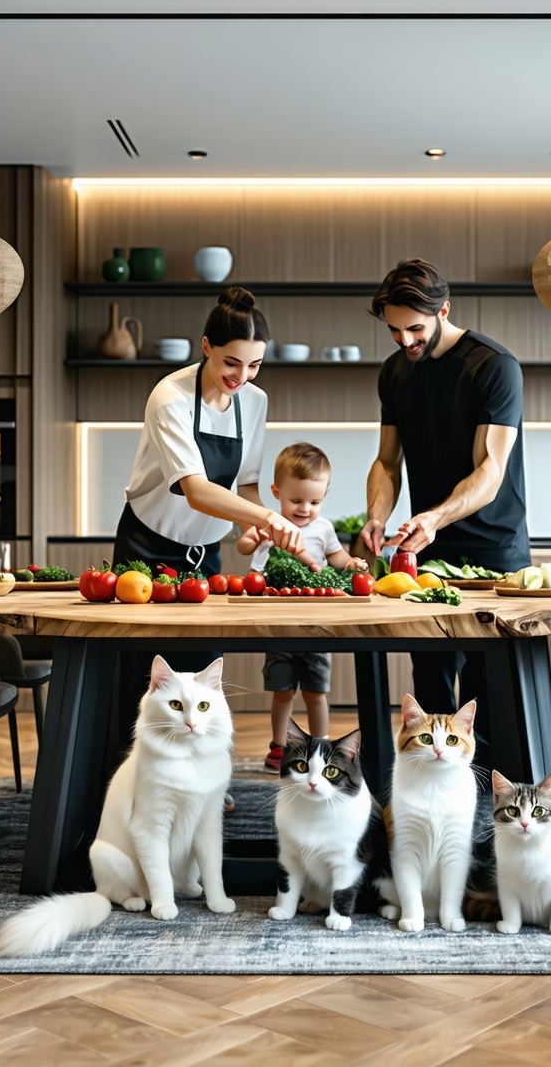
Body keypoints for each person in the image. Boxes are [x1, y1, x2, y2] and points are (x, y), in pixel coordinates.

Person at [112, 286, 306, 805]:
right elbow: (195, 489)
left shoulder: (254, 402)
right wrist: (267, 515)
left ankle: (202, 786)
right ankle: (136, 789)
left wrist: (251, 528)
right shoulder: (168, 396)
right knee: (146, 680)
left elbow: (242, 485)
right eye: (231, 363)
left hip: (205, 556)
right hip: (147, 548)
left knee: (202, 682)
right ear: (205, 346)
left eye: (255, 365)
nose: (241, 377)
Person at [360, 258, 531, 719]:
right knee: (430, 696)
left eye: (414, 328)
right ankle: (428, 791)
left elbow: (490, 471)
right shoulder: (395, 372)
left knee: (488, 700)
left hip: (493, 556)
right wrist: (376, 517)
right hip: (426, 555)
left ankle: (494, 790)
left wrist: (434, 517)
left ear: (443, 310)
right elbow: (386, 462)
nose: (405, 340)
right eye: (395, 330)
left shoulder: (494, 367)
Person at [236, 442, 368, 770]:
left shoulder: (323, 529)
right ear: (276, 492)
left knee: (315, 692)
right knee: (282, 692)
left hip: (316, 622)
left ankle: (320, 747)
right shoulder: (272, 528)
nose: (305, 509)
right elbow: (255, 572)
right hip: (279, 622)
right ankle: (279, 745)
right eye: (296, 500)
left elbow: (336, 558)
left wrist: (350, 563)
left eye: (315, 501)